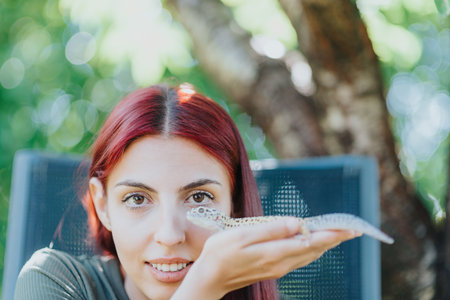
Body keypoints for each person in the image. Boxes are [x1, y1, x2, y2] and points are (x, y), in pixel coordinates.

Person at [15, 83, 359, 300]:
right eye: (137, 199)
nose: (169, 235)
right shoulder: (53, 281)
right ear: (103, 204)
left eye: (199, 198)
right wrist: (203, 289)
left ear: (235, 207)